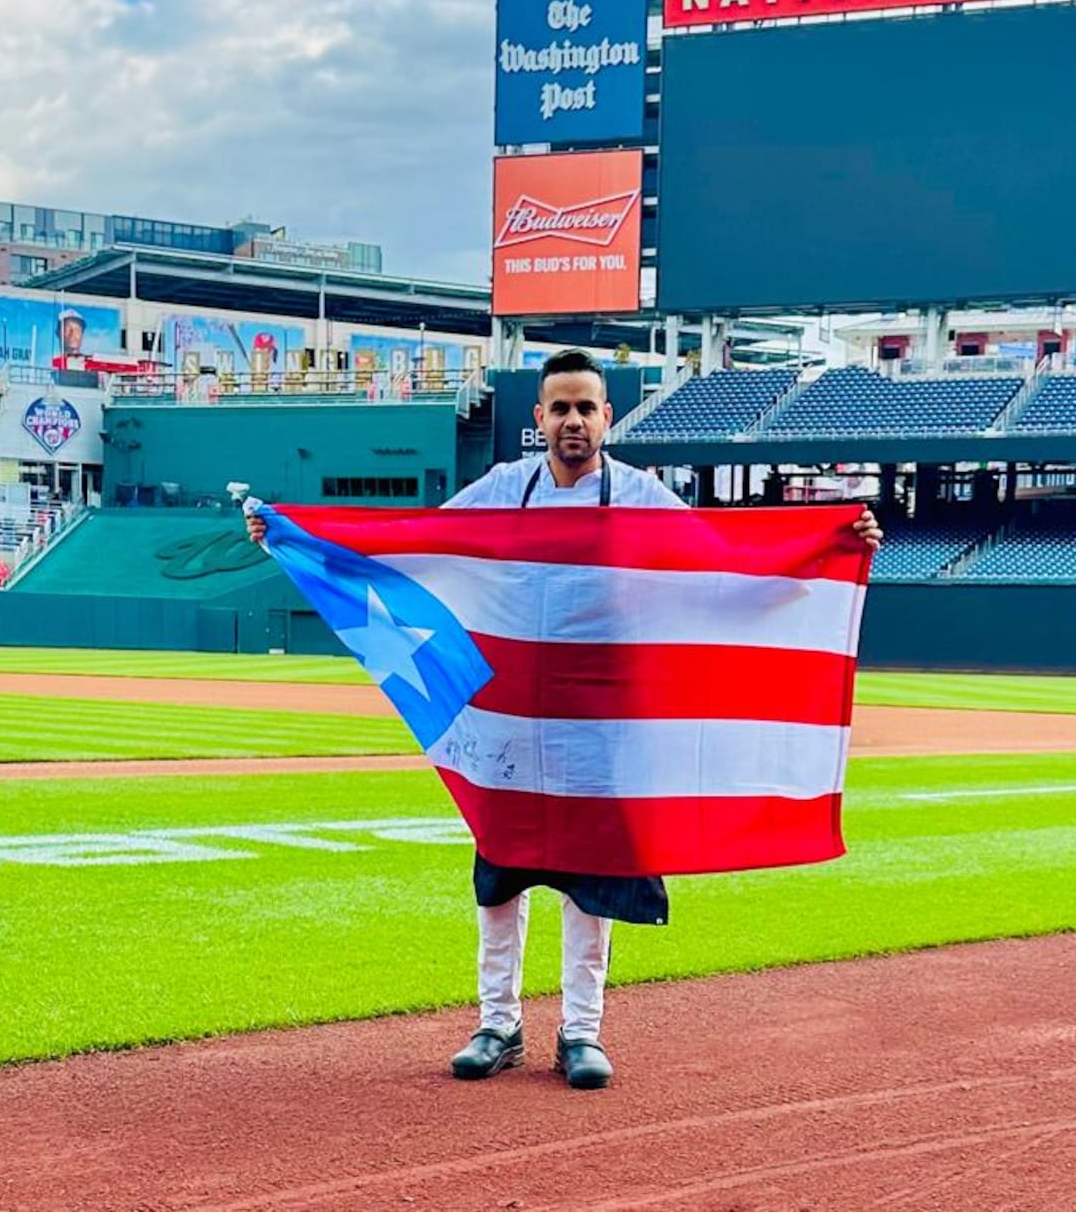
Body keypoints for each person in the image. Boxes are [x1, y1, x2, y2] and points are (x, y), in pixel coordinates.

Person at [250, 348, 878, 1092]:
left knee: (593, 881)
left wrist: (833, 542)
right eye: (561, 407)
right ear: (538, 417)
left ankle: (582, 1031)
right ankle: (498, 1023)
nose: (573, 420)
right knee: (499, 875)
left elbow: (721, 568)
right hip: (510, 714)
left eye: (586, 407)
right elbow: (416, 551)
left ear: (607, 416)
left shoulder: (640, 496)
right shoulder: (504, 489)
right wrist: (300, 536)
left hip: (598, 717)